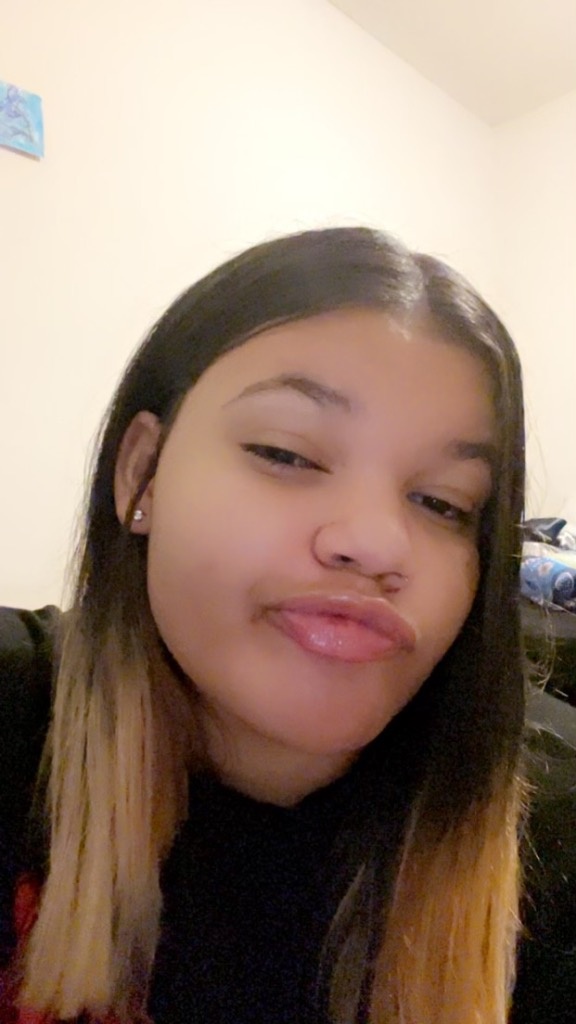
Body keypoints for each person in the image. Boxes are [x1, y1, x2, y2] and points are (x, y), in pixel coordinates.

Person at [0, 227, 574, 1024]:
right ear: (142, 474)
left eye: (443, 503)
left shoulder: (554, 830)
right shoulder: (16, 711)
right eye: (286, 454)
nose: (377, 543)